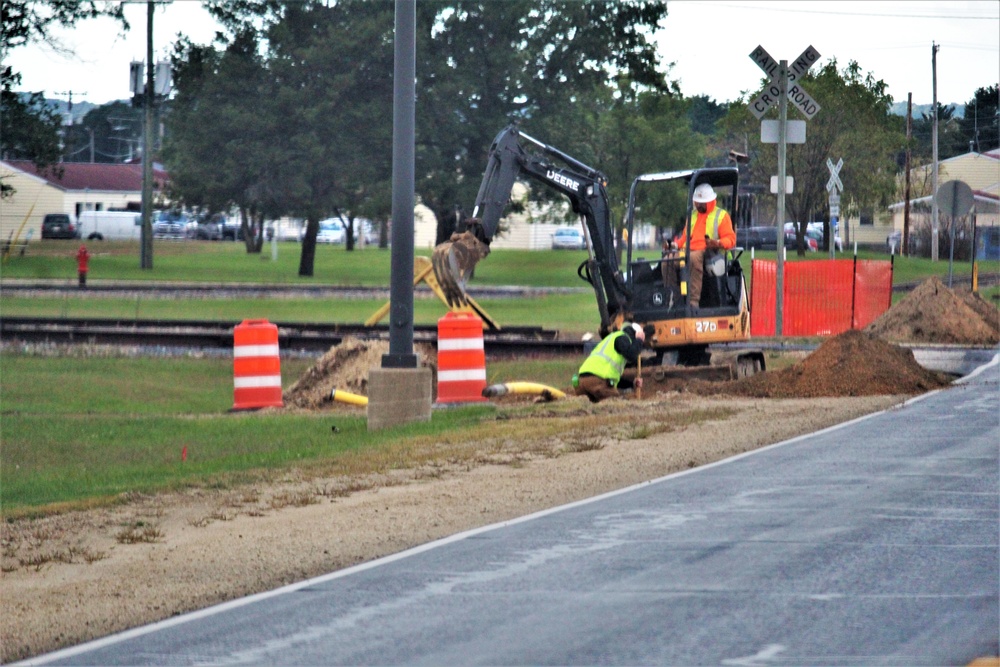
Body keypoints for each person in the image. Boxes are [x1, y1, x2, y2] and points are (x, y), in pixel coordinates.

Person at [672, 183, 736, 310]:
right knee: (668, 260)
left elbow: (731, 239)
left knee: (693, 258)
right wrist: (675, 245)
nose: (699, 205)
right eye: (697, 202)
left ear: (711, 201)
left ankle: (693, 302)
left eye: (702, 203)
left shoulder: (721, 216)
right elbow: (685, 238)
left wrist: (717, 243)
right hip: (688, 250)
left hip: (712, 253)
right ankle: (673, 297)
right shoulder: (692, 216)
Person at [574, 322, 645, 403]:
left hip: (581, 381)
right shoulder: (622, 337)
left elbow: (610, 379)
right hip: (597, 381)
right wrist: (639, 340)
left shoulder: (609, 341)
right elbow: (631, 354)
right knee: (619, 406)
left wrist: (632, 384)